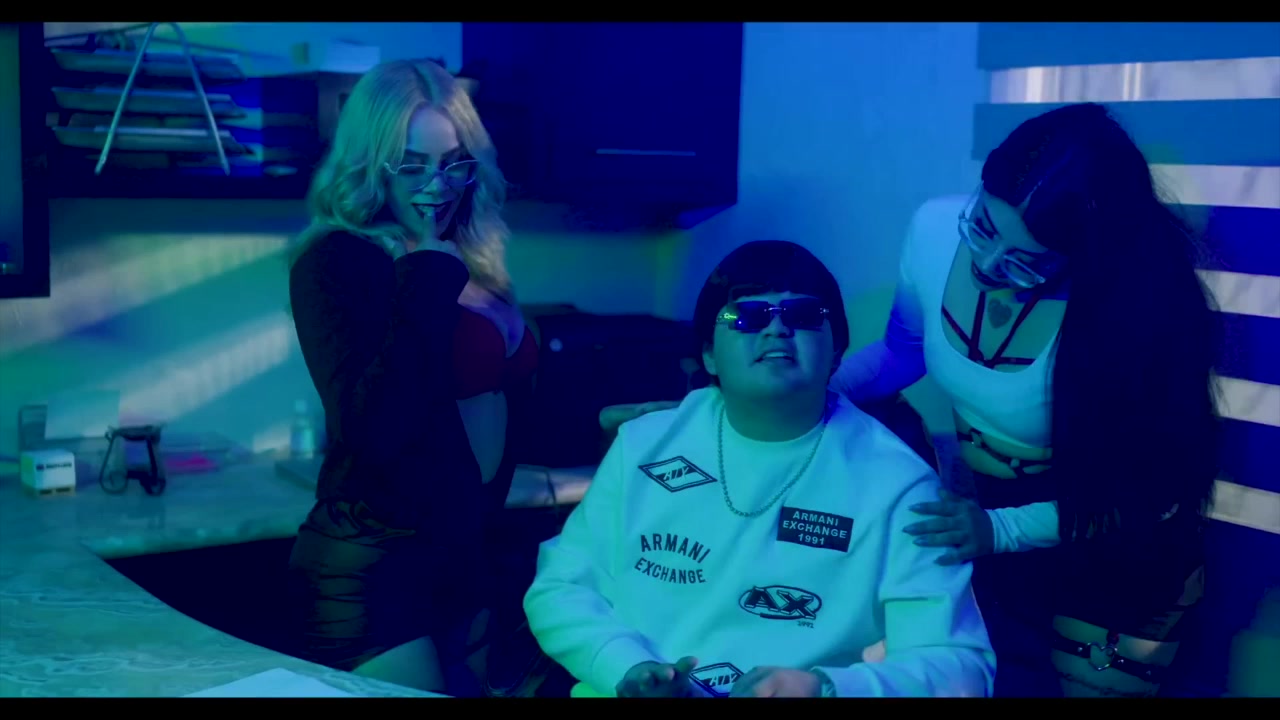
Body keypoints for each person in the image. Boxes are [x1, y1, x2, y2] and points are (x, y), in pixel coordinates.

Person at [828, 103, 1221, 697]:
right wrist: (811, 390)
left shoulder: (1141, 311)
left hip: (1111, 541)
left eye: (1025, 263)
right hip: (992, 517)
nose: (988, 265)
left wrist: (996, 530)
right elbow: (899, 355)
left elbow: (1151, 491)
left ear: (1086, 258)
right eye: (983, 228)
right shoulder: (934, 230)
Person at [524, 240, 995, 698]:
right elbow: (561, 587)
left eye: (804, 315)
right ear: (709, 354)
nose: (777, 329)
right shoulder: (644, 445)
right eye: (746, 317)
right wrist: (625, 667)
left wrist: (825, 688)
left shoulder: (900, 485)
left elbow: (961, 668)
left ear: (836, 351)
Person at [285, 59, 537, 693]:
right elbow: (373, 426)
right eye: (412, 164)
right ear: (372, 166)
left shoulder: (474, 258)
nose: (437, 185)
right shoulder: (338, 260)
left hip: (463, 558)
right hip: (373, 563)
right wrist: (426, 273)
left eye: (453, 162)